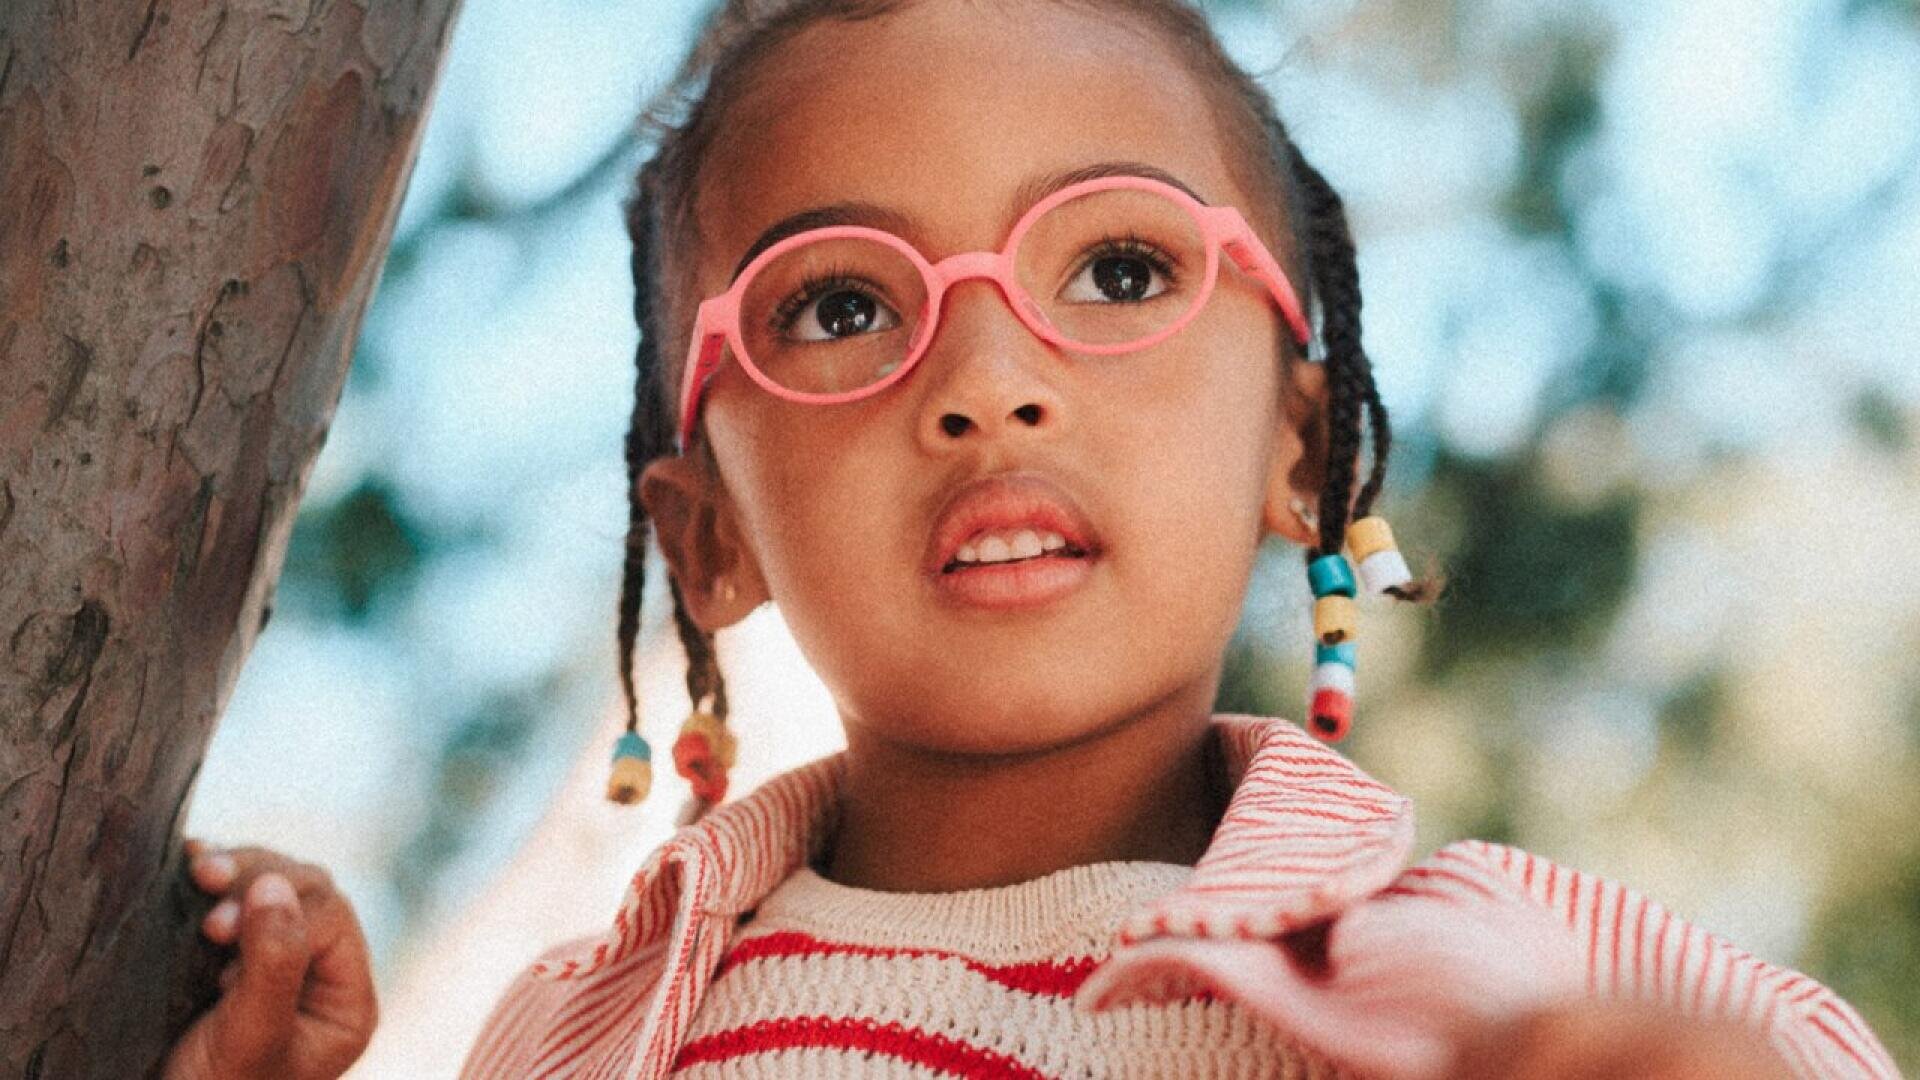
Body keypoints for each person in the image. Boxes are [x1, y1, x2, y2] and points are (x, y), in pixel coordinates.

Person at [166, 1, 1903, 1077]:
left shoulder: (1497, 954)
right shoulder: (582, 1027)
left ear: (1300, 451)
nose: (987, 382)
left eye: (1121, 271)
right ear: (709, 545)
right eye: (841, 304)